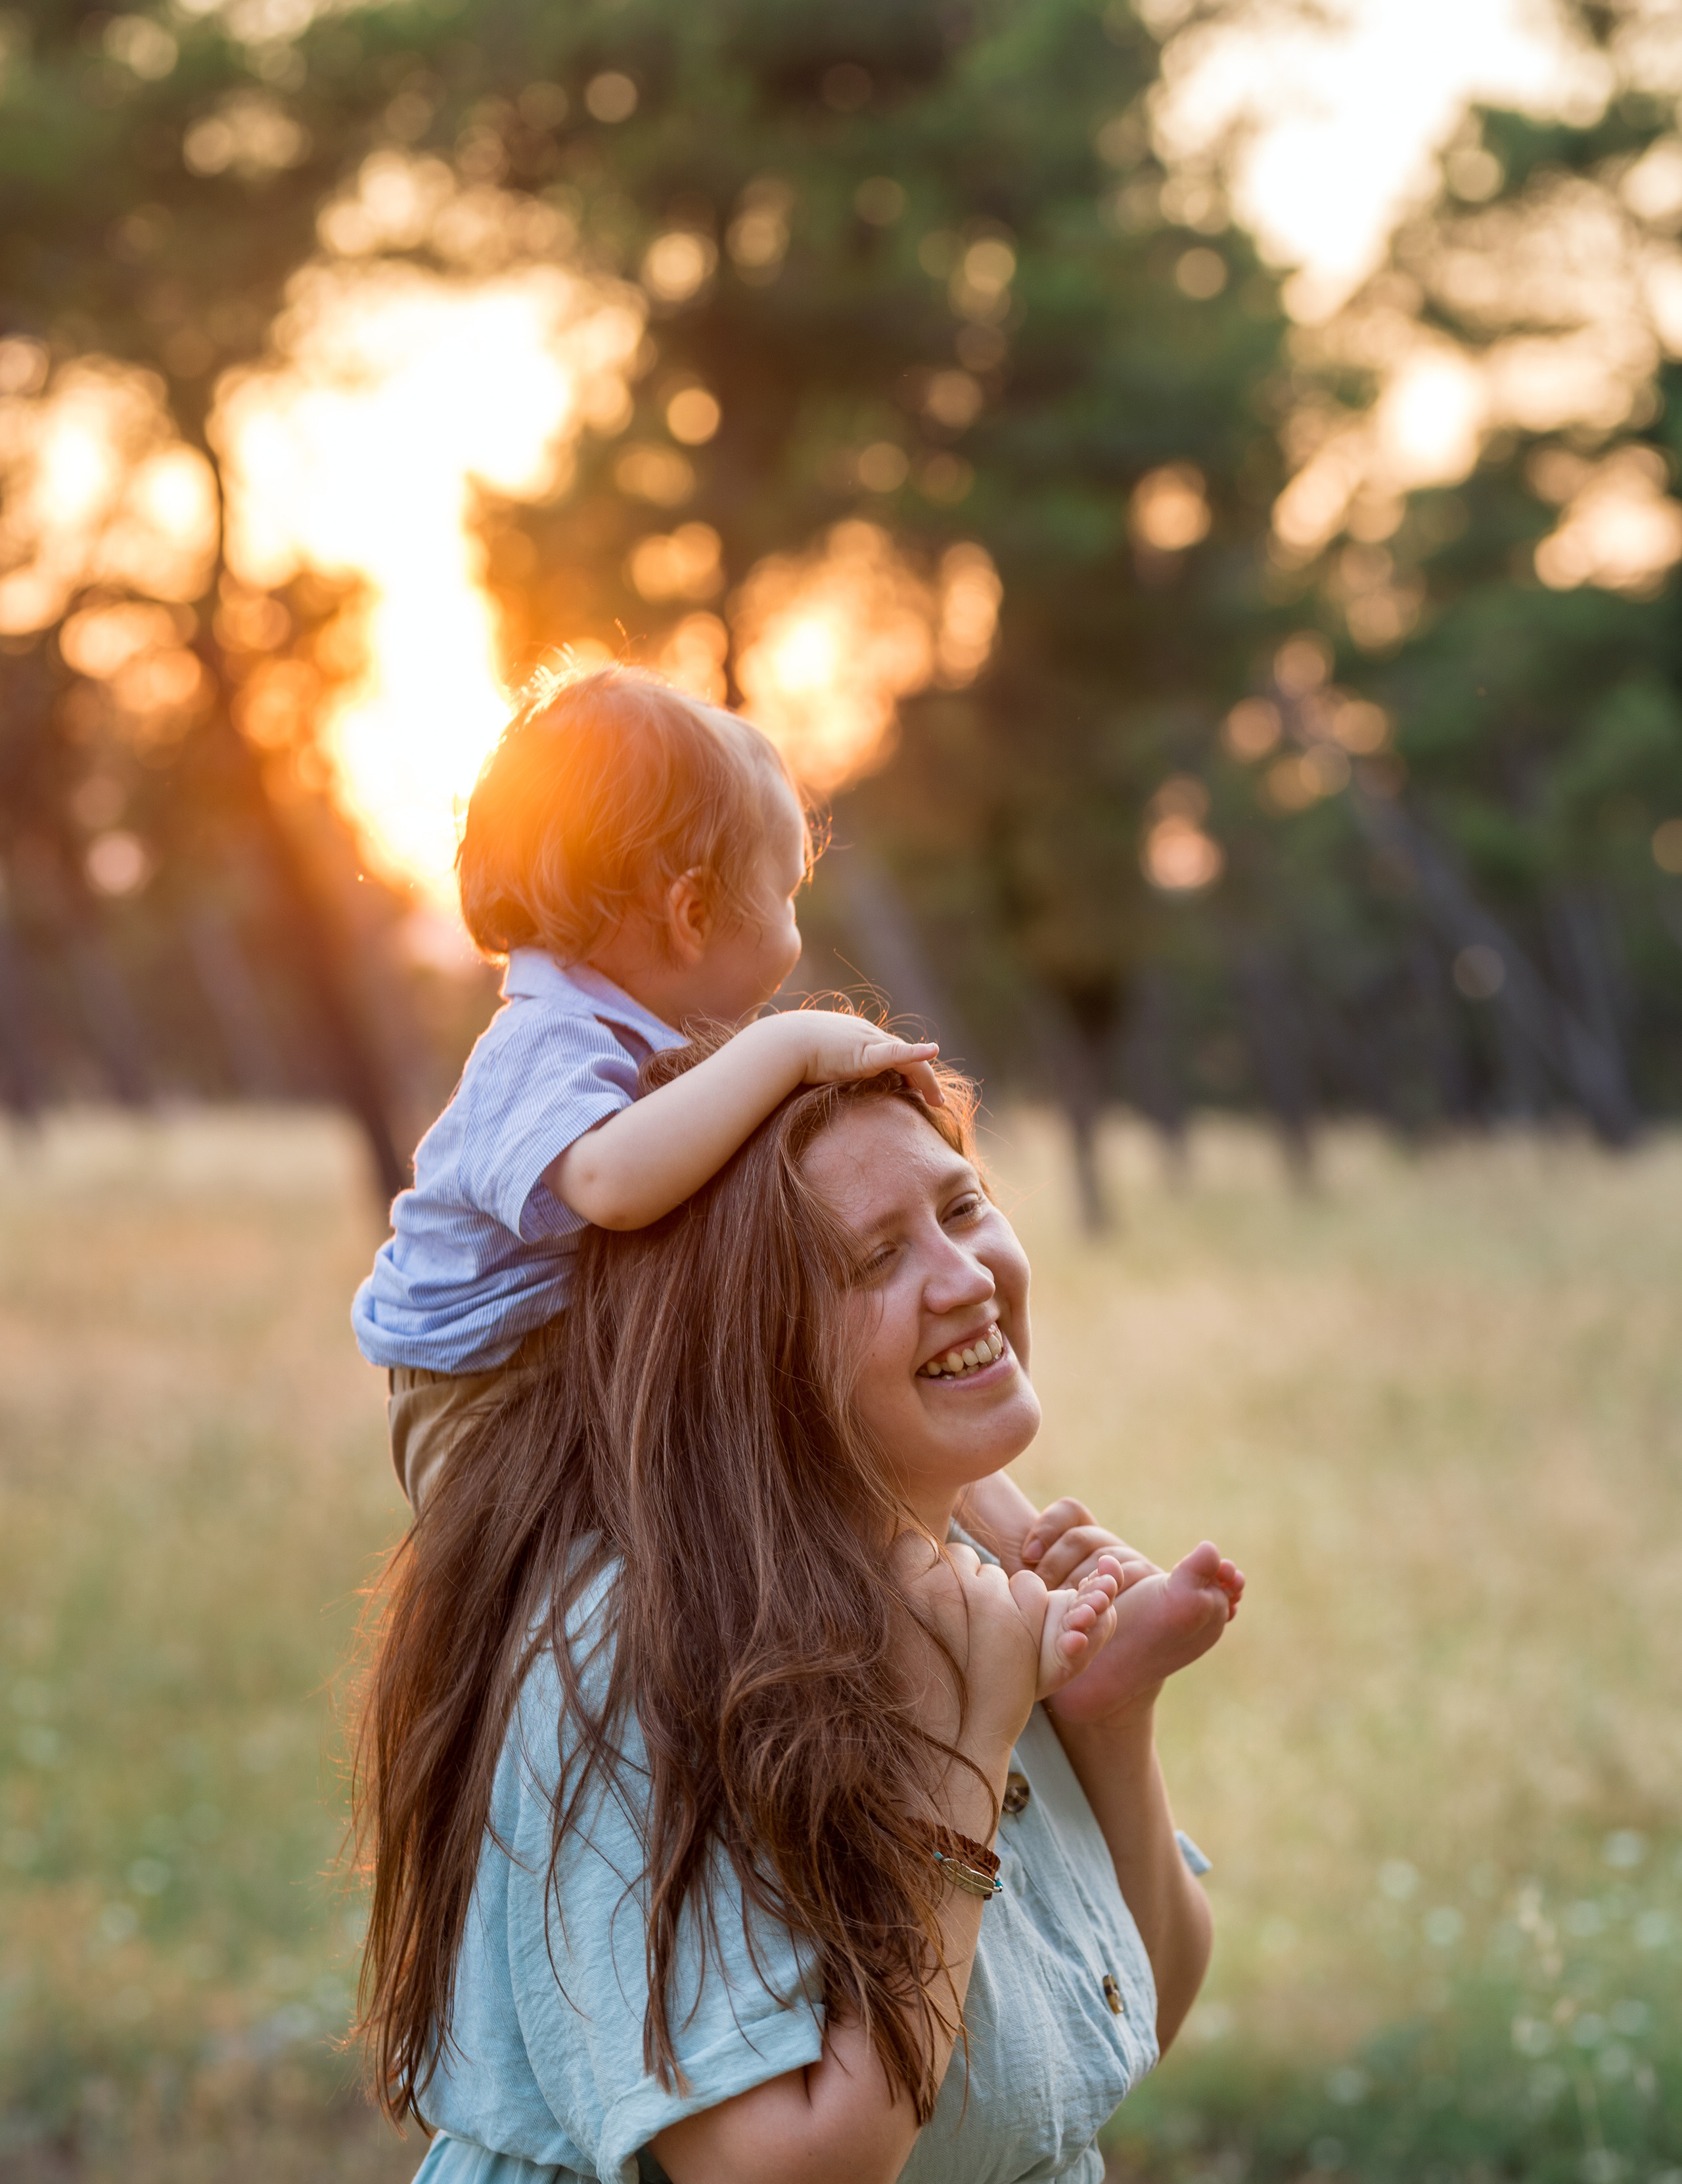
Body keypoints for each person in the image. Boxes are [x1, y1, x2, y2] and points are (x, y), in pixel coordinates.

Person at [342, 1044, 1247, 2184]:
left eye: (961, 1206)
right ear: (738, 1348)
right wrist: (960, 1758)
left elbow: (1122, 2025)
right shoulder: (631, 1649)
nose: (963, 1276)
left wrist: (1108, 1722)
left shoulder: (951, 1584)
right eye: (868, 1261)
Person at [351, 662, 1239, 1701]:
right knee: (663, 1570)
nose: (795, 931)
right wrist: (792, 1044)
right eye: (783, 897)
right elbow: (611, 1184)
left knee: (850, 1411)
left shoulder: (642, 1044)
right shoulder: (544, 1041)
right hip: (484, 1399)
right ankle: (935, 1655)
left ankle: (1024, 1559)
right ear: (690, 913)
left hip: (574, 1352)